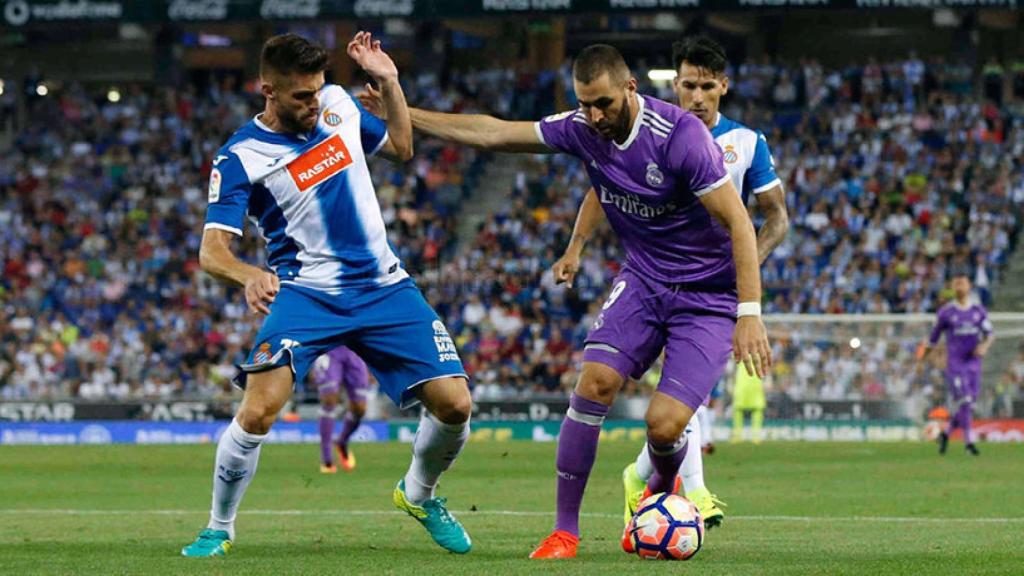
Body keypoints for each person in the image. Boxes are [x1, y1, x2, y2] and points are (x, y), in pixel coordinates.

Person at [364, 43, 771, 559]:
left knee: (664, 426)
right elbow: (495, 132)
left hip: (708, 296)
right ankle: (564, 531)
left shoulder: (681, 137)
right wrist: (402, 108)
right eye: (585, 104)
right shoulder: (582, 127)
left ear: (630, 88)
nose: (595, 116)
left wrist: (749, 313)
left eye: (603, 103)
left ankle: (655, 494)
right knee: (594, 382)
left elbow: (740, 221)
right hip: (644, 280)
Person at [181, 32, 472, 558]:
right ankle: (218, 527)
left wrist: (389, 81)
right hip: (307, 294)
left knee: (455, 405)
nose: (313, 103)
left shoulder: (338, 104)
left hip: (384, 285)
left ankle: (418, 494)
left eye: (317, 90)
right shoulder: (241, 157)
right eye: (300, 96)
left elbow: (403, 148)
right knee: (259, 411)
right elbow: (212, 252)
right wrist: (248, 274)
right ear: (266, 89)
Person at [550, 36, 788, 531]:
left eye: (705, 86)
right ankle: (690, 494)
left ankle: (653, 483)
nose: (695, 97)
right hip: (652, 279)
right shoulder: (651, 133)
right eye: (686, 85)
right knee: (651, 401)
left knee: (674, 411)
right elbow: (602, 186)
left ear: (723, 87)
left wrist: (748, 280)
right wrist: (577, 244)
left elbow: (774, 218)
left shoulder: (747, 143)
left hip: (712, 293)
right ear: (674, 85)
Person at [920, 272, 993, 456]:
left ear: (969, 286)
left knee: (968, 406)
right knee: (965, 401)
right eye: (956, 283)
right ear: (952, 288)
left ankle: (946, 434)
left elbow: (990, 334)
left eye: (963, 283)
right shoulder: (945, 313)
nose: (959, 286)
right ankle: (969, 443)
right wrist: (922, 360)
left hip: (974, 364)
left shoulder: (978, 311)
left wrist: (984, 346)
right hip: (955, 365)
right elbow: (932, 340)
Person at [312, 345, 370, 473]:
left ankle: (341, 442)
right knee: (329, 400)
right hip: (329, 347)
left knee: (360, 408)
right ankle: (327, 459)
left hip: (354, 349)